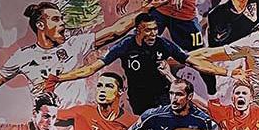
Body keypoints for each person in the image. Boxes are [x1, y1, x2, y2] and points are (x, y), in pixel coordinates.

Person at [46, 11, 242, 115]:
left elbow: (195, 63)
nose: (153, 34)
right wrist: (60, 78)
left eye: (155, 29)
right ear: (138, 31)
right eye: (148, 30)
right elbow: (91, 68)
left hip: (164, 97)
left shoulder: (163, 44)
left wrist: (228, 73)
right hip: (139, 100)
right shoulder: (125, 45)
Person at [0, 0, 162, 105]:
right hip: (50, 124)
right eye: (56, 19)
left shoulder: (75, 44)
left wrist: (146, 8)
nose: (63, 23)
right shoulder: (23, 56)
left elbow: (116, 30)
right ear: (40, 25)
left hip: (78, 120)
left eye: (62, 19)